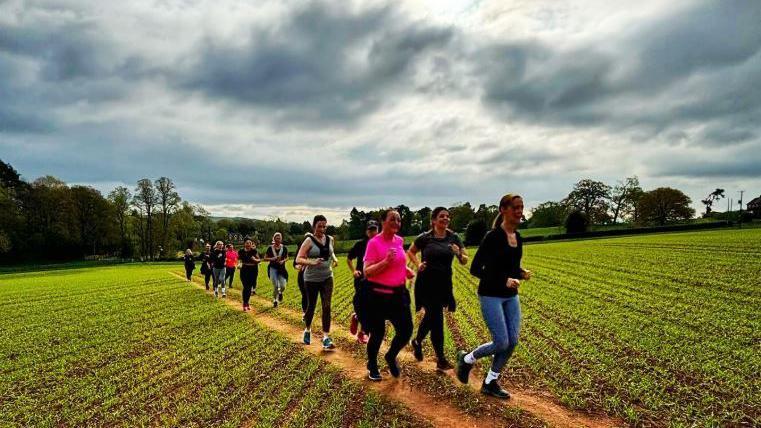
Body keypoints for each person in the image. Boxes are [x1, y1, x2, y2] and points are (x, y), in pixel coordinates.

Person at [455, 194, 532, 399]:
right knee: (501, 342)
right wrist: (503, 280)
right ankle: (467, 359)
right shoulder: (493, 237)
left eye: (521, 207)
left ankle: (490, 382)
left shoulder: (518, 237)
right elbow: (475, 268)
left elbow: (511, 267)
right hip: (490, 294)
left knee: (512, 341)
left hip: (510, 296)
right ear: (503, 210)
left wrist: (521, 272)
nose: (519, 211)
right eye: (515, 207)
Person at [408, 207, 468, 370]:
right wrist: (418, 264)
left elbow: (465, 260)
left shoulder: (454, 237)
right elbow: (411, 251)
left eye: (447, 216)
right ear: (433, 220)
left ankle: (417, 340)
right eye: (442, 216)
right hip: (426, 283)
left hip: (444, 284)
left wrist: (458, 253)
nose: (445, 219)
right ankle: (441, 359)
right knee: (437, 319)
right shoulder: (425, 237)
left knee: (433, 317)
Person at [363, 209, 415, 381]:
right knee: (377, 334)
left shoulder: (399, 241)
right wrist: (385, 262)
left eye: (399, 220)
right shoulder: (374, 243)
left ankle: (390, 356)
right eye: (393, 219)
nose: (397, 222)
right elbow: (367, 272)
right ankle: (372, 365)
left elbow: (399, 262)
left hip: (398, 295)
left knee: (406, 331)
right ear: (383, 222)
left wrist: (406, 270)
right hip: (377, 296)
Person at [296, 215, 339, 350]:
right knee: (312, 306)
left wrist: (335, 259)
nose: (322, 229)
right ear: (314, 226)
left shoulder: (330, 239)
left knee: (326, 306)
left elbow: (330, 252)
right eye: (319, 226)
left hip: (327, 276)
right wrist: (312, 262)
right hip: (311, 278)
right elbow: (299, 259)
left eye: (324, 226)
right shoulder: (308, 241)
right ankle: (308, 330)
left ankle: (326, 337)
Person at [346, 220, 379, 344]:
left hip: (377, 279)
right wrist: (354, 271)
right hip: (361, 279)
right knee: (364, 305)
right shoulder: (360, 244)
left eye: (375, 229)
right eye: (370, 230)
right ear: (366, 231)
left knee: (374, 307)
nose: (373, 232)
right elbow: (349, 259)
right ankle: (364, 330)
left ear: (378, 230)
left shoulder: (381, 244)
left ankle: (360, 323)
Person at [264, 232, 289, 308]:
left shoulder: (284, 248)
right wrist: (272, 258)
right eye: (277, 238)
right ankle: (275, 300)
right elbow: (265, 258)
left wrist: (283, 261)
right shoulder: (270, 248)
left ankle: (280, 292)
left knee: (283, 286)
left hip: (281, 269)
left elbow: (287, 257)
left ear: (281, 239)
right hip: (273, 268)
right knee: (275, 285)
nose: (278, 239)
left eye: (279, 238)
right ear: (274, 239)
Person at [238, 237, 260, 311]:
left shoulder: (254, 251)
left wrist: (255, 260)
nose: (248, 244)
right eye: (247, 243)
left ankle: (246, 303)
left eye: (250, 243)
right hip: (244, 270)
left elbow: (259, 260)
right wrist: (239, 264)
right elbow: (240, 260)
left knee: (249, 288)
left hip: (253, 270)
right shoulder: (241, 251)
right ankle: (245, 303)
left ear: (251, 244)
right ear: (244, 244)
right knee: (246, 287)